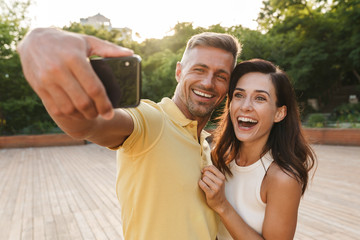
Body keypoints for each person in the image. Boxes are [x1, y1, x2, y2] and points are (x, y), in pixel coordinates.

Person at [17, 28, 241, 239]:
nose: (208, 82)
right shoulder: (152, 120)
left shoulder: (204, 144)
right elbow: (87, 125)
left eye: (221, 76)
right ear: (179, 71)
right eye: (199, 70)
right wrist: (39, 40)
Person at [199, 59, 316, 239]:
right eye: (239, 95)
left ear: (279, 113)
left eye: (260, 98)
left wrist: (222, 205)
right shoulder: (220, 157)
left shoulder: (282, 178)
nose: (245, 106)